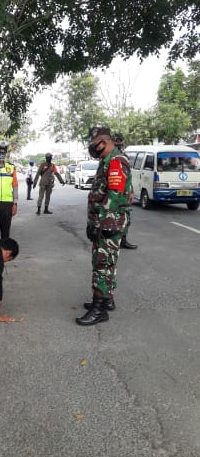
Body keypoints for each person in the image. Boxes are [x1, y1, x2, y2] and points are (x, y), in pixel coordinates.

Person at [76, 126, 132, 326]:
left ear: (104, 142)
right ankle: (105, 300)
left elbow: (115, 195)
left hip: (109, 221)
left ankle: (99, 310)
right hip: (105, 220)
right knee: (105, 263)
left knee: (102, 264)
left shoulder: (116, 161)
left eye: (93, 144)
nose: (91, 147)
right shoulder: (106, 161)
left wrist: (99, 222)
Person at [112, 132, 138, 250]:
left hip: (125, 193)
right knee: (112, 217)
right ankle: (112, 241)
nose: (119, 144)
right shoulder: (110, 156)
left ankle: (123, 240)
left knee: (125, 218)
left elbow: (128, 176)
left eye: (120, 141)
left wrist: (131, 191)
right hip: (114, 193)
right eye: (116, 141)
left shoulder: (125, 156)